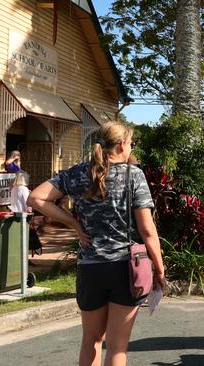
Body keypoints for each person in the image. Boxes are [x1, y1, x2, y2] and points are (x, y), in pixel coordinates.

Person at [27, 121, 166, 366]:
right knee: (117, 347)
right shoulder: (133, 175)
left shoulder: (78, 172)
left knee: (91, 340)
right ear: (122, 145)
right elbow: (147, 230)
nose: (131, 147)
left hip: (91, 267)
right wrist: (160, 269)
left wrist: (74, 223)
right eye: (131, 143)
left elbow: (36, 198)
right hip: (125, 267)